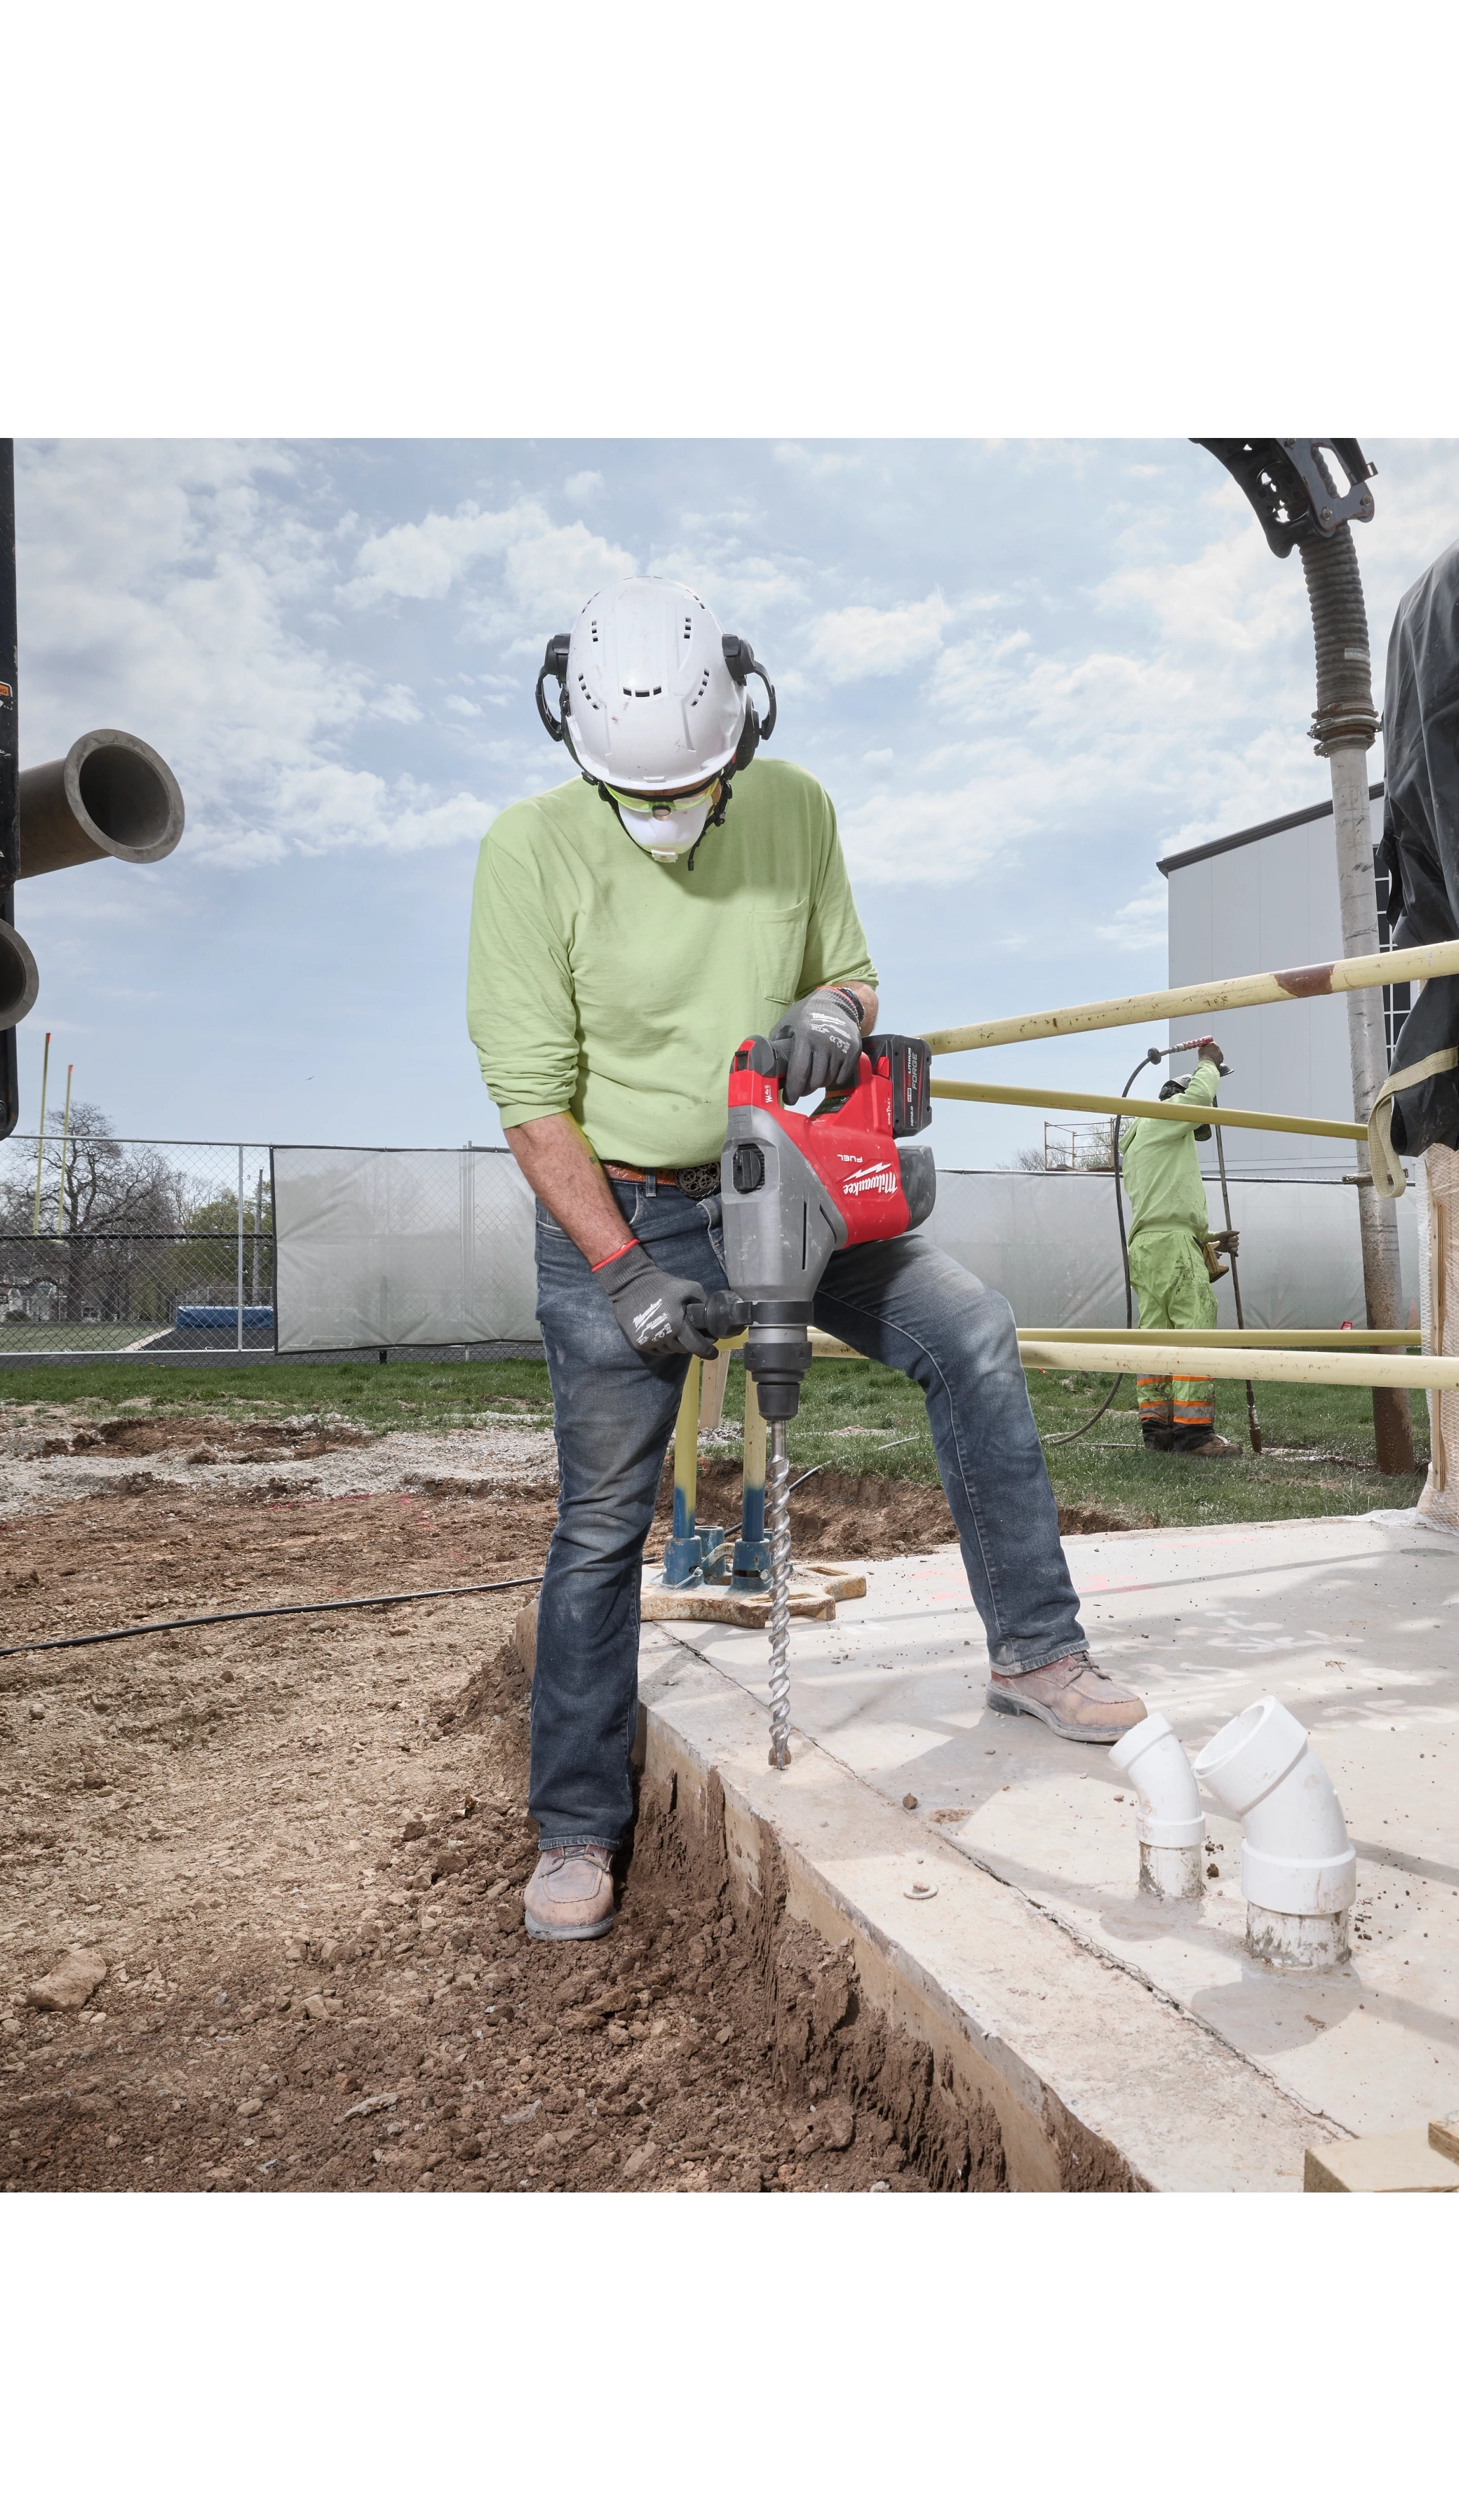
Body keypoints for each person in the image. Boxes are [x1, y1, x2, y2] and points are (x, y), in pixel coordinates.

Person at [466, 577, 1149, 1942]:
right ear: (574, 745)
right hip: (620, 1201)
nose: (669, 817)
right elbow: (532, 1098)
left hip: (781, 1172)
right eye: (636, 796)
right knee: (603, 1518)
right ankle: (575, 1826)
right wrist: (624, 1275)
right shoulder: (524, 852)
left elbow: (851, 967)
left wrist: (834, 1011)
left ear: (742, 733)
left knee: (969, 1333)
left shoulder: (797, 808)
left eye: (698, 786)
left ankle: (1035, 1651)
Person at [1119, 1044, 1242, 1457]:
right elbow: (1199, 1099)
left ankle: (1157, 1430)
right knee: (1196, 1325)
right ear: (1174, 1098)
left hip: (1149, 1246)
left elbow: (1163, 1210)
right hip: (1171, 1246)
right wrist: (1208, 1064)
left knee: (1156, 1334)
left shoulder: (1140, 1141)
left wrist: (1208, 1243)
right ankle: (1194, 1433)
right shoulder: (1162, 1118)